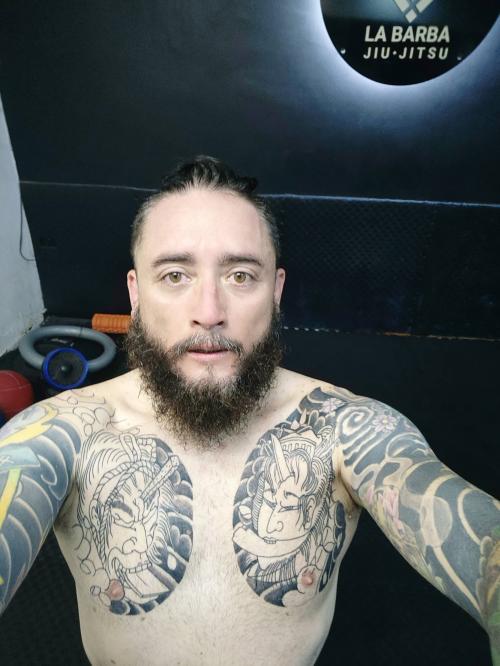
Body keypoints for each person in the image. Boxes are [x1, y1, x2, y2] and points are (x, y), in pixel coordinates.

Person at [0, 156, 498, 666]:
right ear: (136, 294)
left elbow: (472, 535)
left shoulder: (343, 429)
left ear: (276, 291)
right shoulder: (67, 432)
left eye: (240, 275)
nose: (209, 312)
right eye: (175, 275)